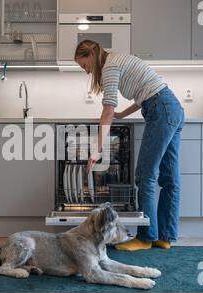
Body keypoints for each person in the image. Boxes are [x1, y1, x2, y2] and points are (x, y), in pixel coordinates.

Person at [74, 40, 185, 251]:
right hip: (171, 108)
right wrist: (123, 114)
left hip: (161, 110)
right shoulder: (118, 59)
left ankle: (145, 237)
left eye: (84, 65)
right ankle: (165, 237)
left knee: (145, 175)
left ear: (90, 55)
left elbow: (107, 110)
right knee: (169, 179)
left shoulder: (109, 66)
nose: (86, 71)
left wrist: (97, 149)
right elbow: (146, 93)